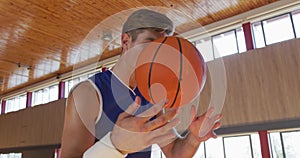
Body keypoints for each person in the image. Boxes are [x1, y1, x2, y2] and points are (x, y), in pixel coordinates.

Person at [61, 9, 222, 158]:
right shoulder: (88, 93)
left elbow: (174, 152)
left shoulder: (151, 95)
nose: (156, 54)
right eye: (150, 43)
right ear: (126, 42)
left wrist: (193, 139)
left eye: (161, 48)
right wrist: (114, 146)